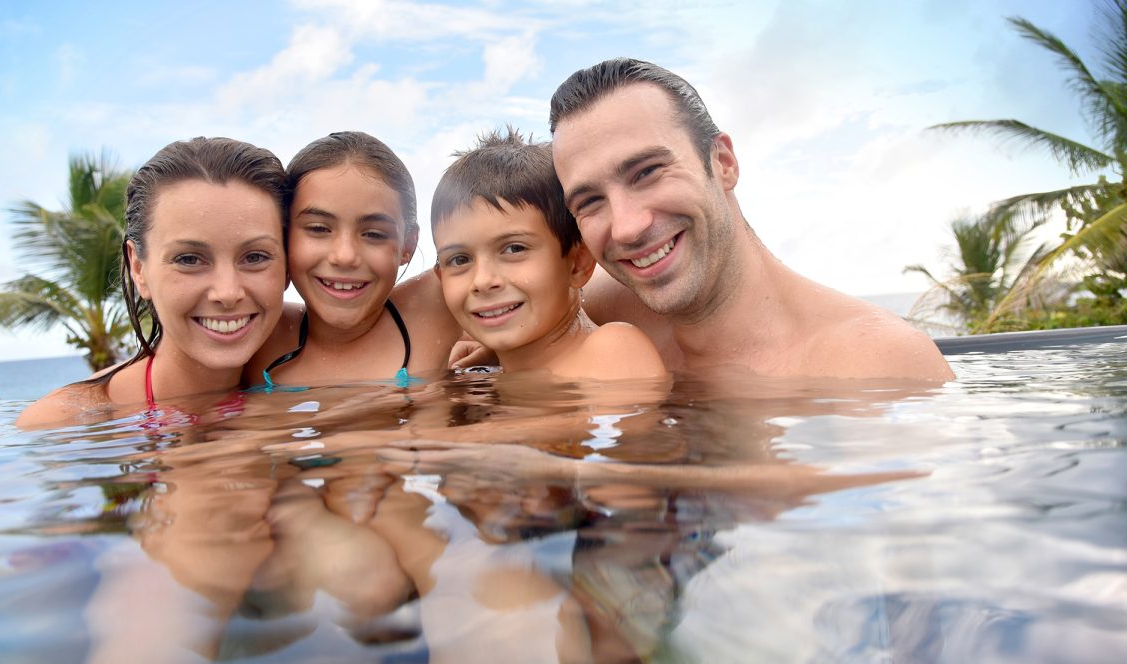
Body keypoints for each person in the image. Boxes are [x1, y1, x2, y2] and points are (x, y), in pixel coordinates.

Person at [545, 58, 954, 382]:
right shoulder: (600, 307)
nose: (627, 227)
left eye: (648, 172)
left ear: (723, 163)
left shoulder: (876, 361)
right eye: (590, 200)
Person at [17, 136, 290, 428]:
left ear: (288, 264)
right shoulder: (66, 424)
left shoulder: (308, 353)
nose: (227, 293)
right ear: (138, 268)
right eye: (188, 259)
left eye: (255, 257)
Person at [431, 128, 666, 380]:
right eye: (460, 259)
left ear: (577, 264)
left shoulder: (614, 349)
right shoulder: (484, 373)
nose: (483, 281)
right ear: (440, 276)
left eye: (514, 248)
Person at [247, 131, 460, 386]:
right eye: (318, 229)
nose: (345, 256)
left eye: (373, 234)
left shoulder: (436, 307)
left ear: (408, 245)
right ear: (283, 235)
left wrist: (500, 351)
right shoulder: (253, 329)